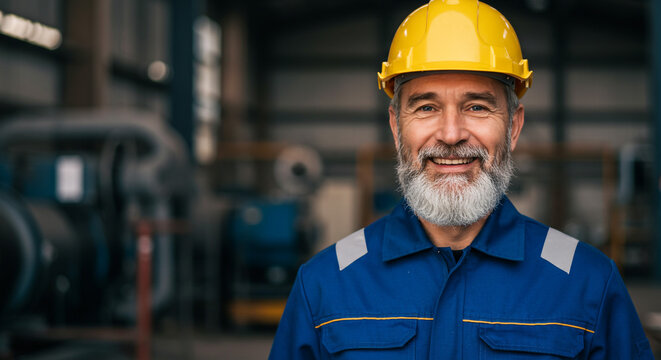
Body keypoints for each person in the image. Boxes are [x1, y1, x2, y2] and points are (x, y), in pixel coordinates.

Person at [269, 0, 655, 358]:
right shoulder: (326, 285)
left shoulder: (587, 284)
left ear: (514, 126)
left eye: (477, 106)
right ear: (395, 126)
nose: (451, 134)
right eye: (426, 107)